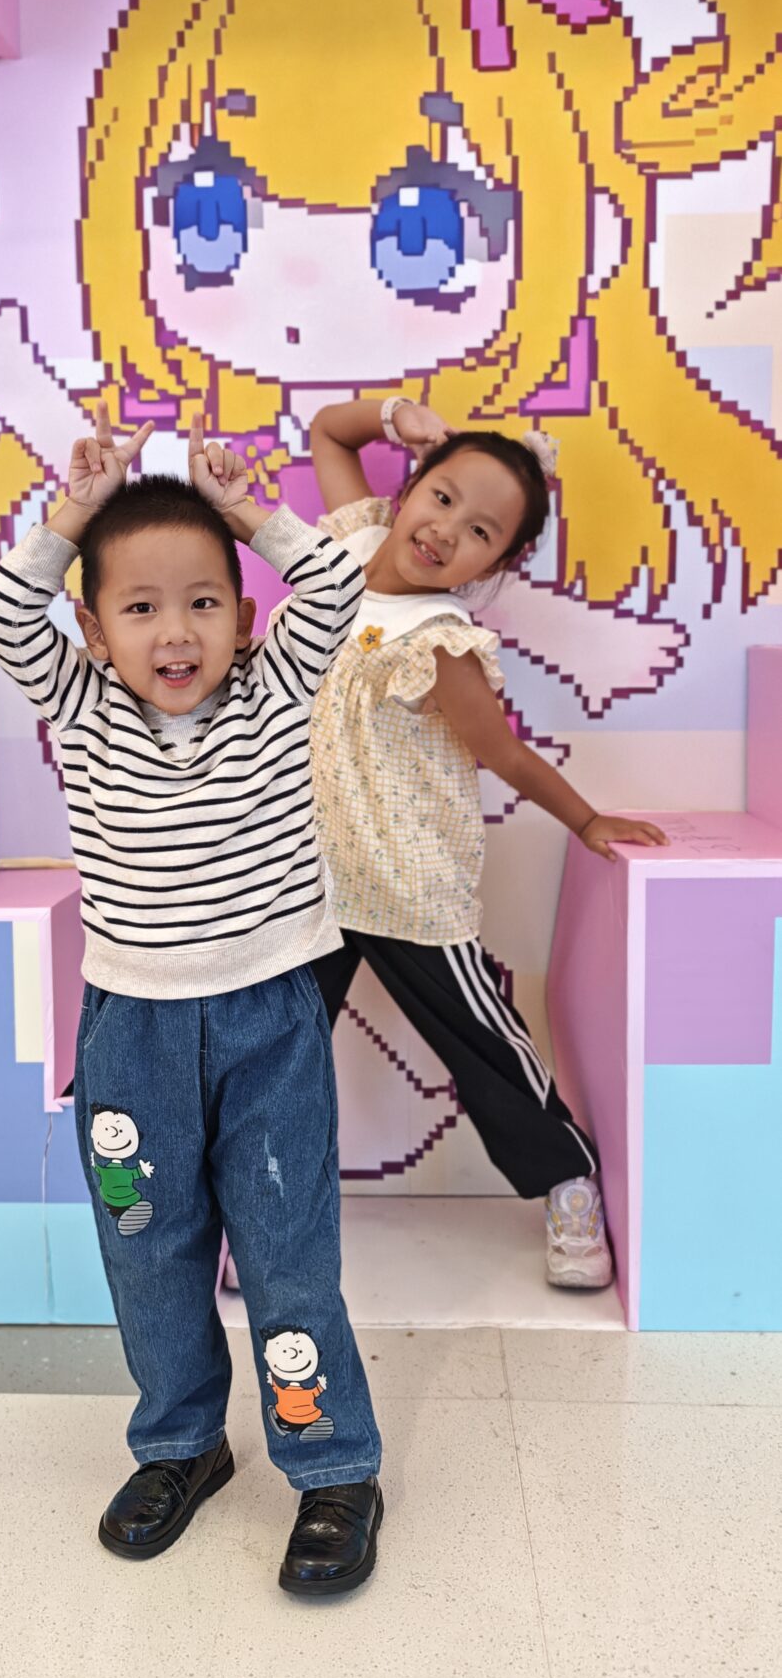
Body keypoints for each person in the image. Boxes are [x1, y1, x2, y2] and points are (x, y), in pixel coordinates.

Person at [0, 404, 383, 1597]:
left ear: (245, 618)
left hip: (269, 1022)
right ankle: (182, 1442)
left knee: (288, 1257)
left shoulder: (274, 686)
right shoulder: (82, 703)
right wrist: (73, 513)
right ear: (94, 631)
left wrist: (251, 510)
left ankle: (332, 1464)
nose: (175, 630)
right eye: (141, 607)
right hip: (134, 1033)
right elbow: (4, 613)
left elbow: (338, 586)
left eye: (204, 601)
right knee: (148, 1252)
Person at [302, 393, 668, 1287]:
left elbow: (501, 754)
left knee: (486, 1046)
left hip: (408, 885)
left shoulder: (441, 640)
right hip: (305, 882)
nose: (445, 531)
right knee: (273, 1054)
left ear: (495, 565)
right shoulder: (346, 547)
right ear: (408, 491)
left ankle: (566, 1177)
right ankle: (263, 1208)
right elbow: (329, 434)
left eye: (479, 533)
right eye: (442, 498)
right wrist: (396, 414)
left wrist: (588, 821)